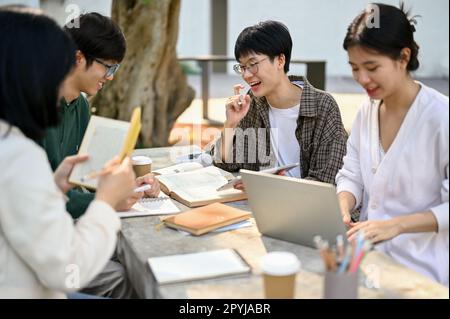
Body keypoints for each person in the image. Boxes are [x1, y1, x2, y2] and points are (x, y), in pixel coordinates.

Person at [0, 9, 136, 298]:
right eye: (54, 64)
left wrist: (54, 188)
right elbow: (66, 269)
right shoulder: (17, 154)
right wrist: (105, 201)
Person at [39, 12, 160, 298]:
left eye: (115, 69)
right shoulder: (34, 113)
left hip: (69, 223)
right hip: (47, 243)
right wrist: (107, 200)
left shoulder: (79, 105)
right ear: (79, 58)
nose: (109, 77)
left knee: (147, 255)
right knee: (123, 277)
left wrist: (132, 183)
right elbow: (44, 203)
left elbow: (88, 176)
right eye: (108, 67)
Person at [336, 3, 448, 286]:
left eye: (372, 67)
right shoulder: (367, 110)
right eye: (354, 68)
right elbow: (352, 174)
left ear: (403, 57)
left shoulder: (441, 117)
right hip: (368, 260)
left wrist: (395, 225)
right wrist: (342, 204)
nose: (362, 79)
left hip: (421, 272)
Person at [211, 20, 347, 187]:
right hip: (260, 204)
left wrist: (268, 187)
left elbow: (326, 181)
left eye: (253, 65)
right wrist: (230, 123)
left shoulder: (323, 106)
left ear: (280, 61)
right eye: (242, 67)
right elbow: (226, 161)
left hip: (308, 208)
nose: (246, 75)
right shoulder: (253, 102)